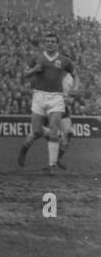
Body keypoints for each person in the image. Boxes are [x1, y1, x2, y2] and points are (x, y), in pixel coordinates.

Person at [17, 32, 77, 174]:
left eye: (53, 41)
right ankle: (24, 148)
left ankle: (51, 166)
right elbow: (24, 75)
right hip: (39, 96)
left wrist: (75, 88)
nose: (50, 43)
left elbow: (76, 76)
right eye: (48, 41)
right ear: (45, 43)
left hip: (56, 97)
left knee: (55, 130)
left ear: (57, 44)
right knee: (37, 131)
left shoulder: (64, 61)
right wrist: (34, 70)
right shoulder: (37, 58)